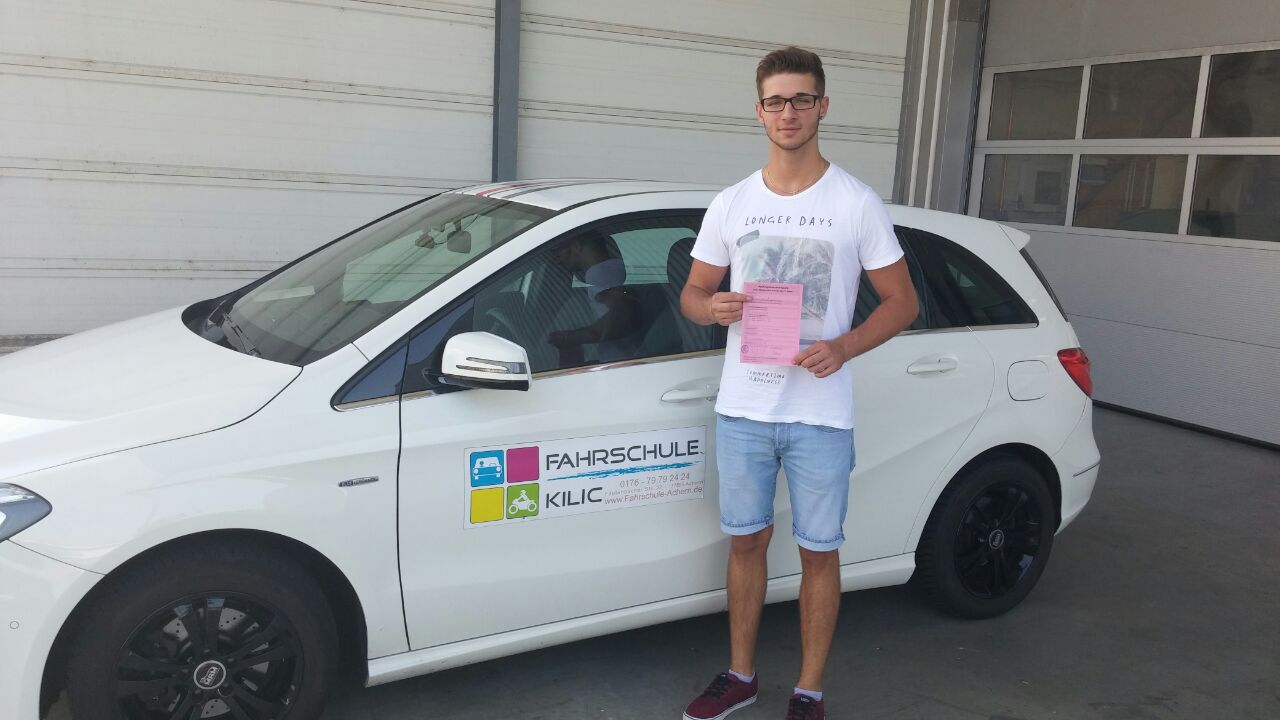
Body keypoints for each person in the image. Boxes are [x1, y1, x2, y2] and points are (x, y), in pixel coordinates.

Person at [679, 46, 918, 720]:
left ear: (822, 107)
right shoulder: (731, 203)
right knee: (745, 542)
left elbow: (903, 302)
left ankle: (809, 692)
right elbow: (692, 295)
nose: (789, 112)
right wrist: (712, 307)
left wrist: (843, 347)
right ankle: (741, 676)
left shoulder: (855, 203)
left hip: (820, 414)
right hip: (744, 408)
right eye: (776, 101)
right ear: (759, 111)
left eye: (802, 99)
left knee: (819, 552)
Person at [547, 230, 641, 365]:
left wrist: (570, 337)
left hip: (621, 364)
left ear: (577, 245)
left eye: (558, 250)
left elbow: (623, 317)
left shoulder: (599, 272)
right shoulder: (617, 267)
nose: (558, 259)